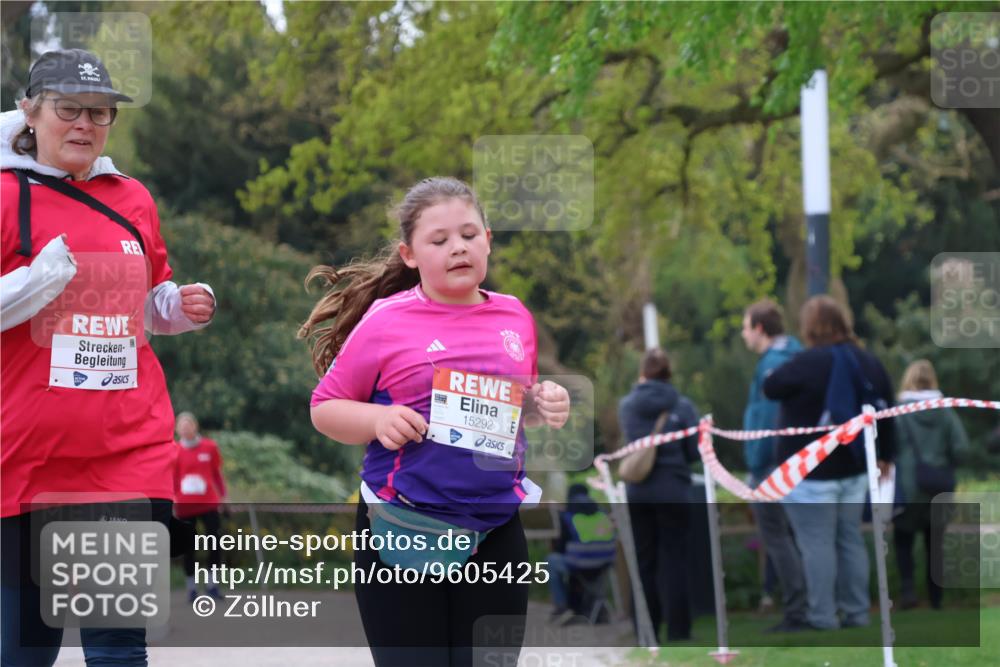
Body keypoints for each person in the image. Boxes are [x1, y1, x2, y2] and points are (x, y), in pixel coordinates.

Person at [1, 49, 215, 666]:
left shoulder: (132, 197)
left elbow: (145, 304)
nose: (85, 125)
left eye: (100, 113)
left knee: (118, 640)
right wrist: (33, 281)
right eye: (69, 109)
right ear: (30, 112)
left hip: (126, 449)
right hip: (26, 458)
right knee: (24, 646)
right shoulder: (2, 194)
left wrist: (179, 304)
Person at [305, 177, 571, 666]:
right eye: (440, 240)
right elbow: (325, 408)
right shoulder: (386, 320)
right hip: (402, 526)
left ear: (489, 239)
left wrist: (544, 402)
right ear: (410, 255)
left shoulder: (515, 318)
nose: (458, 248)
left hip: (494, 529)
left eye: (469, 235)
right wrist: (378, 418)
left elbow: (514, 408)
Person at [763, 295, 895, 630]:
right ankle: (857, 613)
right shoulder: (867, 361)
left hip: (812, 471)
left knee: (816, 541)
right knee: (849, 537)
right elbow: (888, 410)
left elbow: (771, 386)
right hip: (854, 467)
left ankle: (822, 616)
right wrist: (886, 455)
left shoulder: (808, 363)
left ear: (809, 327)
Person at [618, 348, 699, 642]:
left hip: (638, 491)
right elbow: (693, 451)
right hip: (674, 490)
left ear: (643, 372)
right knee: (675, 560)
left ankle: (646, 630)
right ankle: (679, 631)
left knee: (644, 562)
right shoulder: (683, 405)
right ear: (668, 374)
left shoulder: (627, 405)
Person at [739, 299, 809, 632]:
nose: (742, 334)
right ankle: (811, 606)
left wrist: (755, 461)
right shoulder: (795, 356)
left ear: (759, 328)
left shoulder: (773, 365)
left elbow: (767, 422)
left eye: (745, 326)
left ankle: (796, 609)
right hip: (796, 463)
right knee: (800, 537)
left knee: (778, 539)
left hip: (771, 465)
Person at [892, 360, 968, 610]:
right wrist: (945, 464)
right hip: (940, 487)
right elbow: (962, 449)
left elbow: (888, 445)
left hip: (908, 486)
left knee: (903, 540)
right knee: (935, 544)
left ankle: (908, 591)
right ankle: (936, 599)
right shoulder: (945, 411)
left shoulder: (898, 412)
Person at [173, 412, 227, 602]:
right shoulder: (174, 451)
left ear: (195, 426)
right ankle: (192, 588)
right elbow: (171, 479)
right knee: (189, 547)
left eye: (189, 424)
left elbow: (216, 474)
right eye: (182, 425)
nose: (186, 428)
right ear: (177, 429)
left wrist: (224, 497)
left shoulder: (209, 447)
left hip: (208, 502)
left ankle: (212, 584)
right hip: (185, 505)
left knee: (214, 543)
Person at [546, 483, 617, 624]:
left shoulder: (567, 513)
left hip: (579, 563)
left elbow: (561, 546)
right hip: (606, 562)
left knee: (551, 560)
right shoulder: (601, 511)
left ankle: (561, 606)